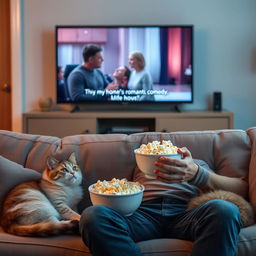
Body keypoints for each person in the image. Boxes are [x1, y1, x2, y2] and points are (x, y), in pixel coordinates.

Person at [79, 147, 247, 256]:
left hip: (187, 214)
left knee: (225, 209)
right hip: (143, 214)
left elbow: (242, 189)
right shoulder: (140, 165)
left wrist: (197, 174)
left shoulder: (198, 164)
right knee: (93, 215)